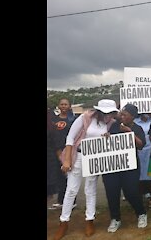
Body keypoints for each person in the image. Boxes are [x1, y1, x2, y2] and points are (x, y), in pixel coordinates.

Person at [54, 99, 119, 240]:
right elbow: (70, 138)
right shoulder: (85, 118)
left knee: (90, 190)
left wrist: (108, 138)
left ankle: (90, 220)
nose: (108, 115)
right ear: (98, 111)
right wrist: (67, 160)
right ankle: (63, 222)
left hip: (94, 159)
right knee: (71, 190)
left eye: (111, 113)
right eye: (105, 113)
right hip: (78, 156)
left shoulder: (111, 123)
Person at [103, 104, 147, 233]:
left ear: (132, 117)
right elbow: (108, 141)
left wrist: (129, 133)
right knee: (112, 192)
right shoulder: (114, 126)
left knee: (130, 192)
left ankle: (141, 213)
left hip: (130, 166)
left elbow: (141, 145)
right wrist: (106, 136)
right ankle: (115, 218)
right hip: (113, 165)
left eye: (124, 115)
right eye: (121, 114)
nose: (121, 116)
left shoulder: (137, 128)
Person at [50, 98, 77, 210]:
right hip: (56, 151)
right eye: (62, 104)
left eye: (66, 104)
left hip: (69, 151)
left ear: (69, 106)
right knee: (60, 176)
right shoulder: (53, 120)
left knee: (70, 177)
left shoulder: (73, 120)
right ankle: (61, 201)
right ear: (58, 106)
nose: (64, 106)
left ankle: (72, 201)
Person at [134, 113, 151, 207]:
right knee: (139, 174)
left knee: (150, 174)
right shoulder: (134, 121)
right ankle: (141, 196)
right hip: (138, 150)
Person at [47, 108, 62, 202]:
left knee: (49, 188)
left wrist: (63, 162)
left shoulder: (51, 127)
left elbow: (57, 146)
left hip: (49, 161)